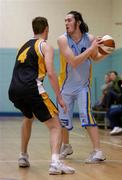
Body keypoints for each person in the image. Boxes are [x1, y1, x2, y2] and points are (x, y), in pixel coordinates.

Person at [8, 16, 75, 175]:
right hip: (31, 89)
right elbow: (51, 73)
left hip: (14, 90)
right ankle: (55, 163)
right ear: (46, 29)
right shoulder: (45, 46)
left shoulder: (22, 46)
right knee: (56, 125)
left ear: (34, 29)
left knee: (28, 117)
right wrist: (59, 97)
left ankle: (23, 156)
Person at [57, 11, 109, 163]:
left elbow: (95, 58)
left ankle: (98, 151)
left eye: (69, 20)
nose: (66, 23)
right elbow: (73, 62)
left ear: (78, 22)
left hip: (82, 87)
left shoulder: (90, 38)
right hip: (65, 87)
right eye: (65, 20)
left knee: (87, 116)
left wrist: (106, 51)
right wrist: (92, 48)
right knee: (63, 121)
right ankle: (66, 146)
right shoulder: (62, 39)